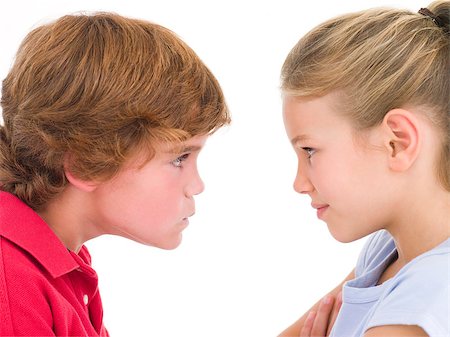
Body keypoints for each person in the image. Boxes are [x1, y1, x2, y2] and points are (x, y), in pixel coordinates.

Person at [0, 12, 230, 336]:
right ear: (85, 162)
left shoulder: (62, 258)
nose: (197, 185)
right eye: (180, 158)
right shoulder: (10, 282)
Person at [279, 1, 449, 336]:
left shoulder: (424, 303)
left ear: (396, 142)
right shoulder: (388, 251)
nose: (299, 183)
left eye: (309, 151)